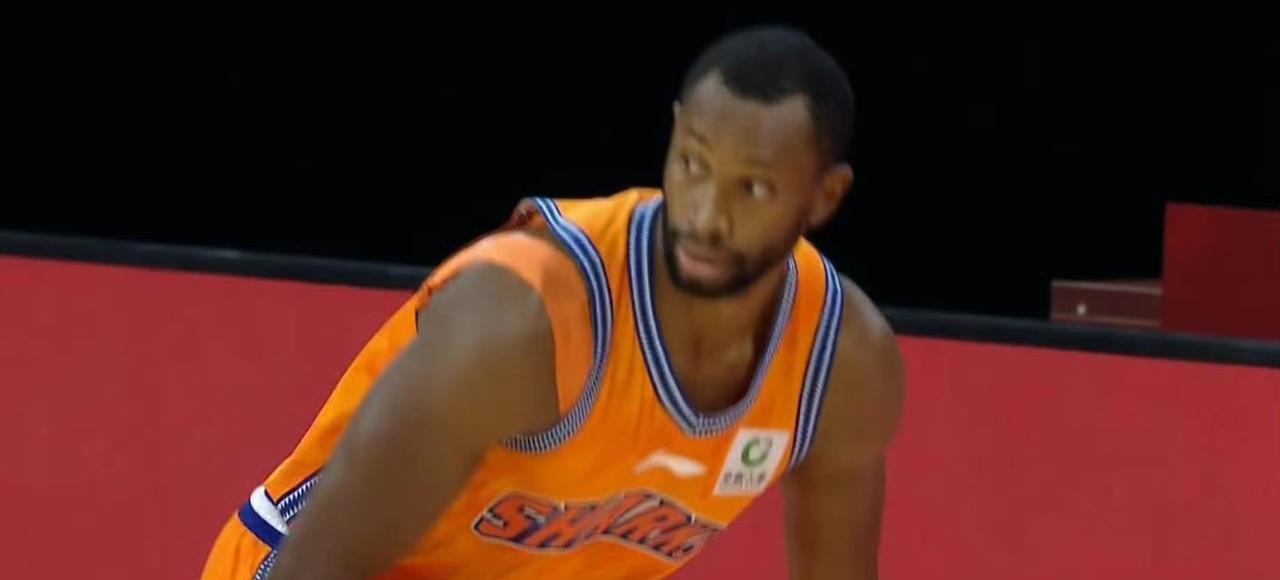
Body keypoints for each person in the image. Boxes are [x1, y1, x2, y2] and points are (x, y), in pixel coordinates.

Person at [200, 25, 904, 580]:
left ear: (825, 196)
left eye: (752, 189)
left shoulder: (839, 363)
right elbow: (317, 562)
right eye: (693, 165)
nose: (706, 216)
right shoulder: (521, 321)